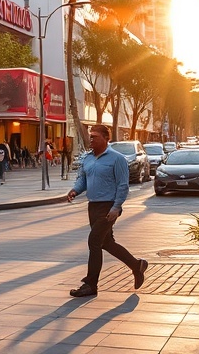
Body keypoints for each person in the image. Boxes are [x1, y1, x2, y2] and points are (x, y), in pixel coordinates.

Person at [66, 124, 147, 298]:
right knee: (106, 243)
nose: (91, 139)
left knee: (94, 241)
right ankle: (137, 265)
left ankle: (90, 284)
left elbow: (123, 185)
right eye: (90, 136)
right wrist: (75, 190)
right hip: (93, 206)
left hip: (108, 206)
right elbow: (83, 180)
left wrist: (116, 207)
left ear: (105, 138)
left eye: (95, 136)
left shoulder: (117, 159)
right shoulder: (87, 159)